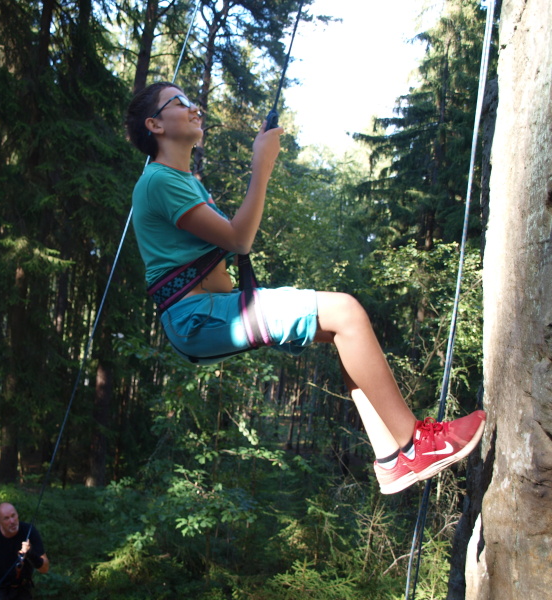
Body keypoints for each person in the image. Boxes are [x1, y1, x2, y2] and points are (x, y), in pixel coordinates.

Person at [125, 81, 486, 494]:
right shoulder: (159, 181)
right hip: (198, 317)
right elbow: (239, 239)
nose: (195, 108)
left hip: (206, 314)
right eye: (180, 102)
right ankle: (418, 445)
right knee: (345, 311)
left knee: (341, 330)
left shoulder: (181, 180)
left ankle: (391, 458)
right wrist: (261, 165)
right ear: (154, 124)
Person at [0, 503, 50, 600]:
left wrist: (30, 553)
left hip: (23, 588)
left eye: (13, 515)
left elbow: (44, 569)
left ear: (17, 515)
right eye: (6, 518)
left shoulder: (29, 531)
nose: (12, 521)